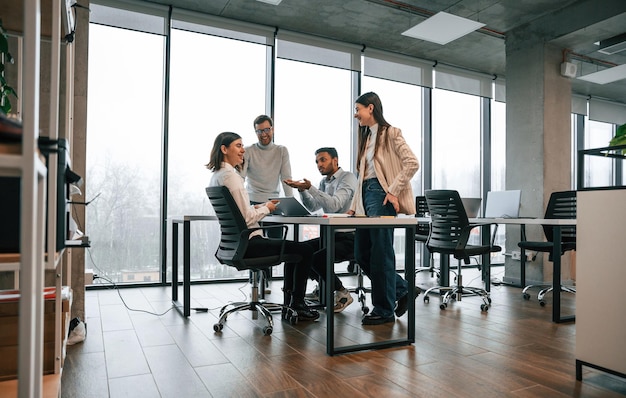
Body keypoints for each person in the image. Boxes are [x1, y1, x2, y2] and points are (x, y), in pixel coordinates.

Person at [206, 132, 319, 321]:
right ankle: (297, 306)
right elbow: (247, 218)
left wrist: (257, 206)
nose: (243, 150)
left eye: (242, 146)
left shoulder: (217, 176)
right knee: (305, 250)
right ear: (224, 149)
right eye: (238, 146)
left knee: (297, 251)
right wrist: (267, 207)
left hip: (234, 245)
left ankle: (291, 304)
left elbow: (239, 212)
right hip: (250, 244)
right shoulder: (232, 178)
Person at [348, 92, 420, 325]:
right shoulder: (366, 137)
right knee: (362, 254)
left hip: (381, 197)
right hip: (365, 198)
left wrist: (393, 190)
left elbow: (412, 162)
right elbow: (363, 178)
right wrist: (353, 206)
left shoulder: (391, 133)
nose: (355, 113)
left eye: (358, 109)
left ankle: (384, 310)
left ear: (371, 108)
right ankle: (403, 290)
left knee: (381, 255)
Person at [284, 147, 358, 313]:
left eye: (323, 160)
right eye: (317, 161)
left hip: (350, 237)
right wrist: (303, 191)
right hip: (331, 236)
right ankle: (293, 301)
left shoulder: (348, 178)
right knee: (301, 252)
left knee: (317, 259)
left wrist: (311, 188)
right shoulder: (324, 182)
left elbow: (334, 205)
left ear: (335, 160)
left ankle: (342, 293)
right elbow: (312, 206)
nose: (319, 164)